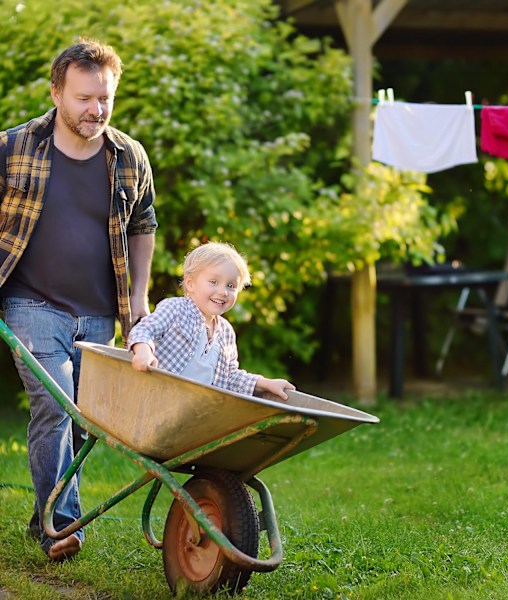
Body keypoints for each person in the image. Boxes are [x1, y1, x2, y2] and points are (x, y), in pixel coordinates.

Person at [0, 39, 157, 561]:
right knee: (55, 405)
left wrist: (138, 298)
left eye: (104, 99)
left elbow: (143, 225)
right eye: (84, 98)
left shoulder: (128, 156)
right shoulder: (14, 147)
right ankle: (62, 528)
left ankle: (45, 512)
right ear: (56, 92)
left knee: (82, 419)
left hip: (98, 313)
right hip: (30, 303)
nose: (95, 110)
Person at [128, 241, 295, 401]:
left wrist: (266, 384)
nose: (223, 292)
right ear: (190, 283)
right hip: (156, 398)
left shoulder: (226, 332)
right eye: (213, 282)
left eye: (231, 286)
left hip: (193, 412)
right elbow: (144, 330)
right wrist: (143, 351)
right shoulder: (175, 309)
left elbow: (230, 378)